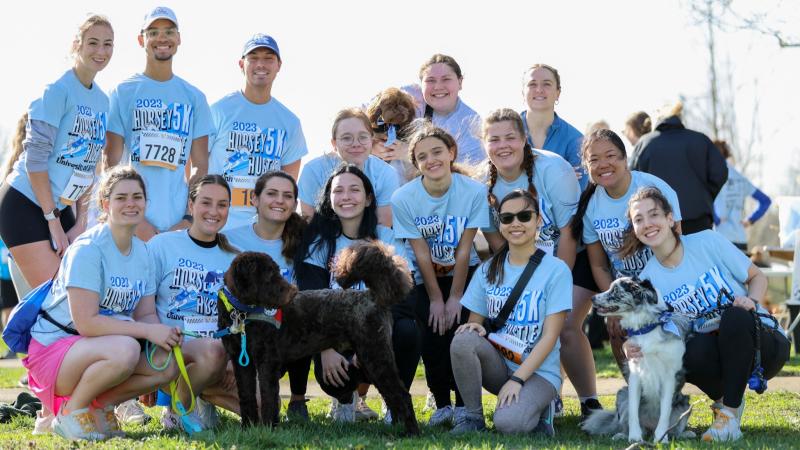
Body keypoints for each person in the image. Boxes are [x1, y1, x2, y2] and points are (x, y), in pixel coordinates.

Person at [619, 186, 790, 442]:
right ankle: (726, 406)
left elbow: (757, 277)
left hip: (762, 344)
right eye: (638, 219)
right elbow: (654, 334)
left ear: (669, 218)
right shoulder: (647, 282)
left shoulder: (707, 242)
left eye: (653, 214)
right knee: (684, 349)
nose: (647, 224)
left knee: (734, 315)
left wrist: (751, 300)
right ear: (634, 229)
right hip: (717, 356)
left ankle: (729, 415)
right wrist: (630, 345)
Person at [23, 166, 181, 441]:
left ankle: (99, 408)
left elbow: (145, 314)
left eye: (137, 197)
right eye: (121, 198)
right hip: (55, 350)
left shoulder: (143, 252)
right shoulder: (89, 249)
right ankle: (71, 413)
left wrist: (162, 337)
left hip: (98, 348)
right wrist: (146, 333)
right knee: (126, 350)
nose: (130, 204)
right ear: (105, 204)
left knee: (166, 364)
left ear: (145, 202)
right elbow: (86, 323)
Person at [295, 164, 419, 423]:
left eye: (354, 189)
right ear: (329, 199)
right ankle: (344, 399)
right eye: (338, 191)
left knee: (408, 330)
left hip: (379, 330)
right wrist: (326, 348)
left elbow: (403, 298)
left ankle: (393, 401)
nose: (346, 197)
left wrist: (370, 343)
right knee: (329, 365)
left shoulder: (387, 237)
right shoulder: (318, 244)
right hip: (336, 336)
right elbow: (310, 303)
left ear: (369, 198)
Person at [0, 15, 113, 290]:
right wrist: (53, 222)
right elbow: (35, 162)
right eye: (93, 43)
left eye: (108, 44)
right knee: (59, 296)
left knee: (76, 291)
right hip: (24, 203)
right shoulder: (56, 91)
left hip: (60, 209)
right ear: (77, 44)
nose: (101, 51)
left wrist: (80, 223)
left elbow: (89, 166)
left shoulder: (102, 100)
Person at [450, 189, 571, 434]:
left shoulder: (556, 270)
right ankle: (473, 419)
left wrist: (518, 380)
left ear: (538, 220)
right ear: (500, 225)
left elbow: (550, 337)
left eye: (524, 216)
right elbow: (476, 325)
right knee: (463, 339)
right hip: (500, 366)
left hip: (539, 372)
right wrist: (475, 328)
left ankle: (542, 410)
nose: (515, 223)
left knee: (508, 424)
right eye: (507, 218)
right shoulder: (487, 270)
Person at [391, 125, 489, 426]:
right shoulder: (404, 198)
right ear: (416, 164)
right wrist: (435, 298)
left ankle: (464, 404)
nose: (431, 160)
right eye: (422, 156)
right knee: (432, 331)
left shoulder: (473, 190)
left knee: (459, 327)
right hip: (425, 274)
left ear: (451, 153)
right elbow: (420, 252)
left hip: (464, 269)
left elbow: (465, 247)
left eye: (437, 152)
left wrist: (456, 296)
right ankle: (442, 403)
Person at [572, 129, 682, 367]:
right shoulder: (591, 205)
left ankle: (672, 395)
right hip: (625, 289)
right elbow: (599, 264)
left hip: (663, 285)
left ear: (625, 158)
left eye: (610, 155)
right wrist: (615, 309)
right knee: (618, 329)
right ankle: (637, 395)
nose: (603, 164)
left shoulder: (654, 189)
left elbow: (676, 248)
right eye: (594, 159)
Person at [105, 6, 213, 241]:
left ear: (179, 38)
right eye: (153, 32)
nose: (161, 38)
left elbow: (200, 166)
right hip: (132, 222)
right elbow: (111, 162)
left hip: (178, 224)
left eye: (169, 31)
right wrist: (135, 217)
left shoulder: (194, 97)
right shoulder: (123, 92)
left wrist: (187, 217)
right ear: (141, 40)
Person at [147, 175, 238, 431]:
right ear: (191, 206)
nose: (213, 211)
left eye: (222, 205)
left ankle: (200, 394)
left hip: (218, 356)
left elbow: (237, 322)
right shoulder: (162, 245)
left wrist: (231, 362)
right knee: (211, 353)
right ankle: (178, 411)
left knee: (267, 407)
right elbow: (142, 307)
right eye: (206, 202)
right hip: (173, 352)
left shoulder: (234, 257)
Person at [225, 171, 311, 420]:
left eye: (287, 196)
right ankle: (207, 401)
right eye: (271, 194)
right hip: (244, 336)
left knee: (299, 310)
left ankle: (297, 401)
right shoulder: (231, 238)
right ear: (254, 199)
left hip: (285, 334)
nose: (279, 201)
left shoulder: (303, 242)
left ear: (294, 204)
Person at [209, 33, 308, 231]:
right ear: (241, 64)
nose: (261, 64)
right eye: (253, 58)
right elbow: (199, 168)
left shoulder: (290, 122)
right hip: (220, 225)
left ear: (279, 65)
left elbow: (288, 185)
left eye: (268, 59)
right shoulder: (219, 110)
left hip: (264, 229)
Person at [629, 102, 728, 234]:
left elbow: (633, 182)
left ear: (654, 120)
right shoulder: (700, 140)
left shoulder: (644, 144)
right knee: (698, 255)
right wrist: (704, 196)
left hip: (659, 221)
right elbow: (720, 173)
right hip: (698, 220)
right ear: (679, 117)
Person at [298, 108, 398, 226]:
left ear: (372, 140)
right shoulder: (312, 171)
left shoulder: (386, 173)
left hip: (370, 241)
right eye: (346, 138)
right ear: (334, 144)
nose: (356, 144)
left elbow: (383, 225)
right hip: (325, 239)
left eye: (363, 137)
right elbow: (309, 222)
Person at [401, 54, 485, 166]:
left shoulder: (472, 123)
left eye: (446, 79)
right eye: (430, 80)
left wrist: (409, 154)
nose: (438, 87)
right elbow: (373, 117)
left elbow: (473, 172)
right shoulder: (409, 98)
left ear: (460, 82)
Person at [520, 64, 587, 189]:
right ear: (523, 92)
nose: (539, 90)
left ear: (558, 93)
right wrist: (558, 177)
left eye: (547, 84)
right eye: (532, 84)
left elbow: (576, 191)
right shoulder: (505, 132)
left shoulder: (576, 140)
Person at [712, 140, 771, 251]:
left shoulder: (713, 177)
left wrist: (716, 220)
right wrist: (750, 220)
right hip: (740, 239)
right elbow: (766, 201)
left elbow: (704, 201)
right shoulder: (740, 178)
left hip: (721, 237)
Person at [366, 87, 418, 184]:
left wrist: (410, 154)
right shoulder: (365, 142)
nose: (396, 110)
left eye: (402, 106)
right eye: (391, 106)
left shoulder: (414, 141)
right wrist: (369, 148)